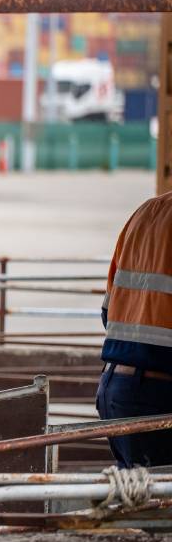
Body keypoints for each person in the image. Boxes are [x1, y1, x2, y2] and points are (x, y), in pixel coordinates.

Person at [97, 190, 172, 468]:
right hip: (158, 394)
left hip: (116, 388)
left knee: (145, 501)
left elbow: (108, 312)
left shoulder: (145, 212)